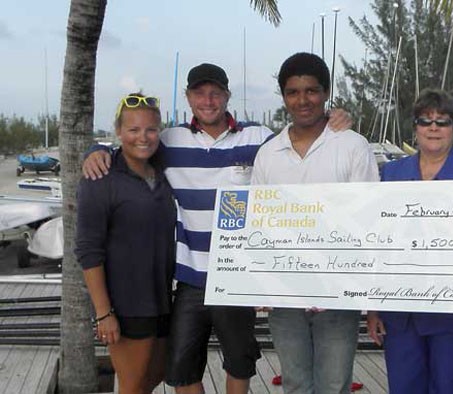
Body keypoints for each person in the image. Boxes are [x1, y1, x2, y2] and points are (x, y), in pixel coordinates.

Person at [83, 63, 352, 394]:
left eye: (215, 93)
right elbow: (133, 145)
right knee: (180, 366)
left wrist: (334, 119)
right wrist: (96, 150)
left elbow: (298, 146)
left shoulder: (258, 137)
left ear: (227, 96)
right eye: (199, 93)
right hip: (190, 278)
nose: (207, 100)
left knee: (240, 360)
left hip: (236, 277)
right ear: (188, 97)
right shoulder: (169, 140)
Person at [250, 52, 379, 394]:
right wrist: (259, 281)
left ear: (325, 93)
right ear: (283, 97)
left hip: (339, 292)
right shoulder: (267, 153)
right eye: (293, 92)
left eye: (311, 90)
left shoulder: (353, 146)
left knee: (335, 385)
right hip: (285, 293)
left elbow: (369, 218)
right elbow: (260, 223)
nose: (302, 100)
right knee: (294, 383)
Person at [365, 89, 453, 394]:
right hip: (401, 314)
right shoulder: (390, 173)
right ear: (415, 128)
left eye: (442, 122)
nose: (433, 128)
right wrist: (374, 306)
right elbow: (379, 241)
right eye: (425, 121)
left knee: (451, 388)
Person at [76, 93, 176, 394]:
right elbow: (88, 250)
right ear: (119, 131)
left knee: (155, 375)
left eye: (150, 129)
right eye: (133, 130)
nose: (142, 137)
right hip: (126, 302)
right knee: (132, 386)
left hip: (161, 298)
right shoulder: (101, 177)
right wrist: (104, 313)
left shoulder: (161, 170)